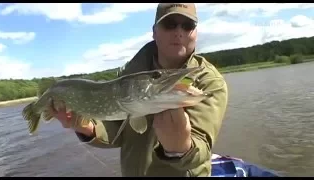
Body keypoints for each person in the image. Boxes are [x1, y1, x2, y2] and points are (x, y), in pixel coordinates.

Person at [49, 3, 228, 177]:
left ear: (195, 32)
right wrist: (87, 127)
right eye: (169, 24)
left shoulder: (208, 81)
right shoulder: (129, 75)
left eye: (188, 25)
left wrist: (182, 148)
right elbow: (118, 132)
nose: (179, 32)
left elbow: (202, 152)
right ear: (154, 31)